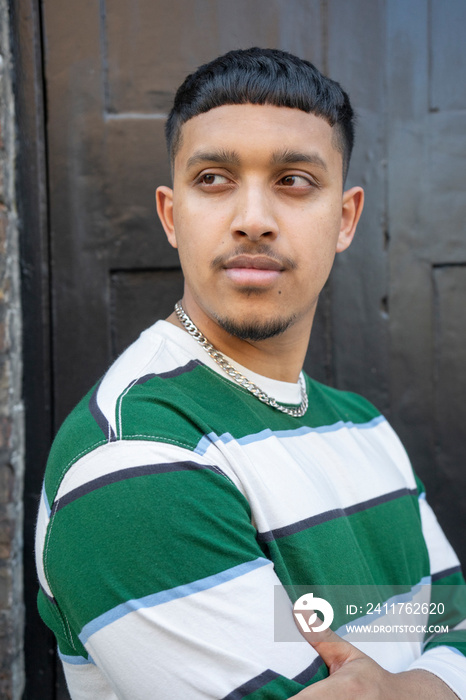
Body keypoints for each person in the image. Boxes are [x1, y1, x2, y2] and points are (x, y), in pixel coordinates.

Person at [35, 47, 466, 699]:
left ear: (345, 218)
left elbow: (449, 620)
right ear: (172, 215)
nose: (254, 220)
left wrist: (397, 691)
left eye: (294, 179)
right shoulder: (135, 456)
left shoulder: (364, 427)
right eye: (213, 178)